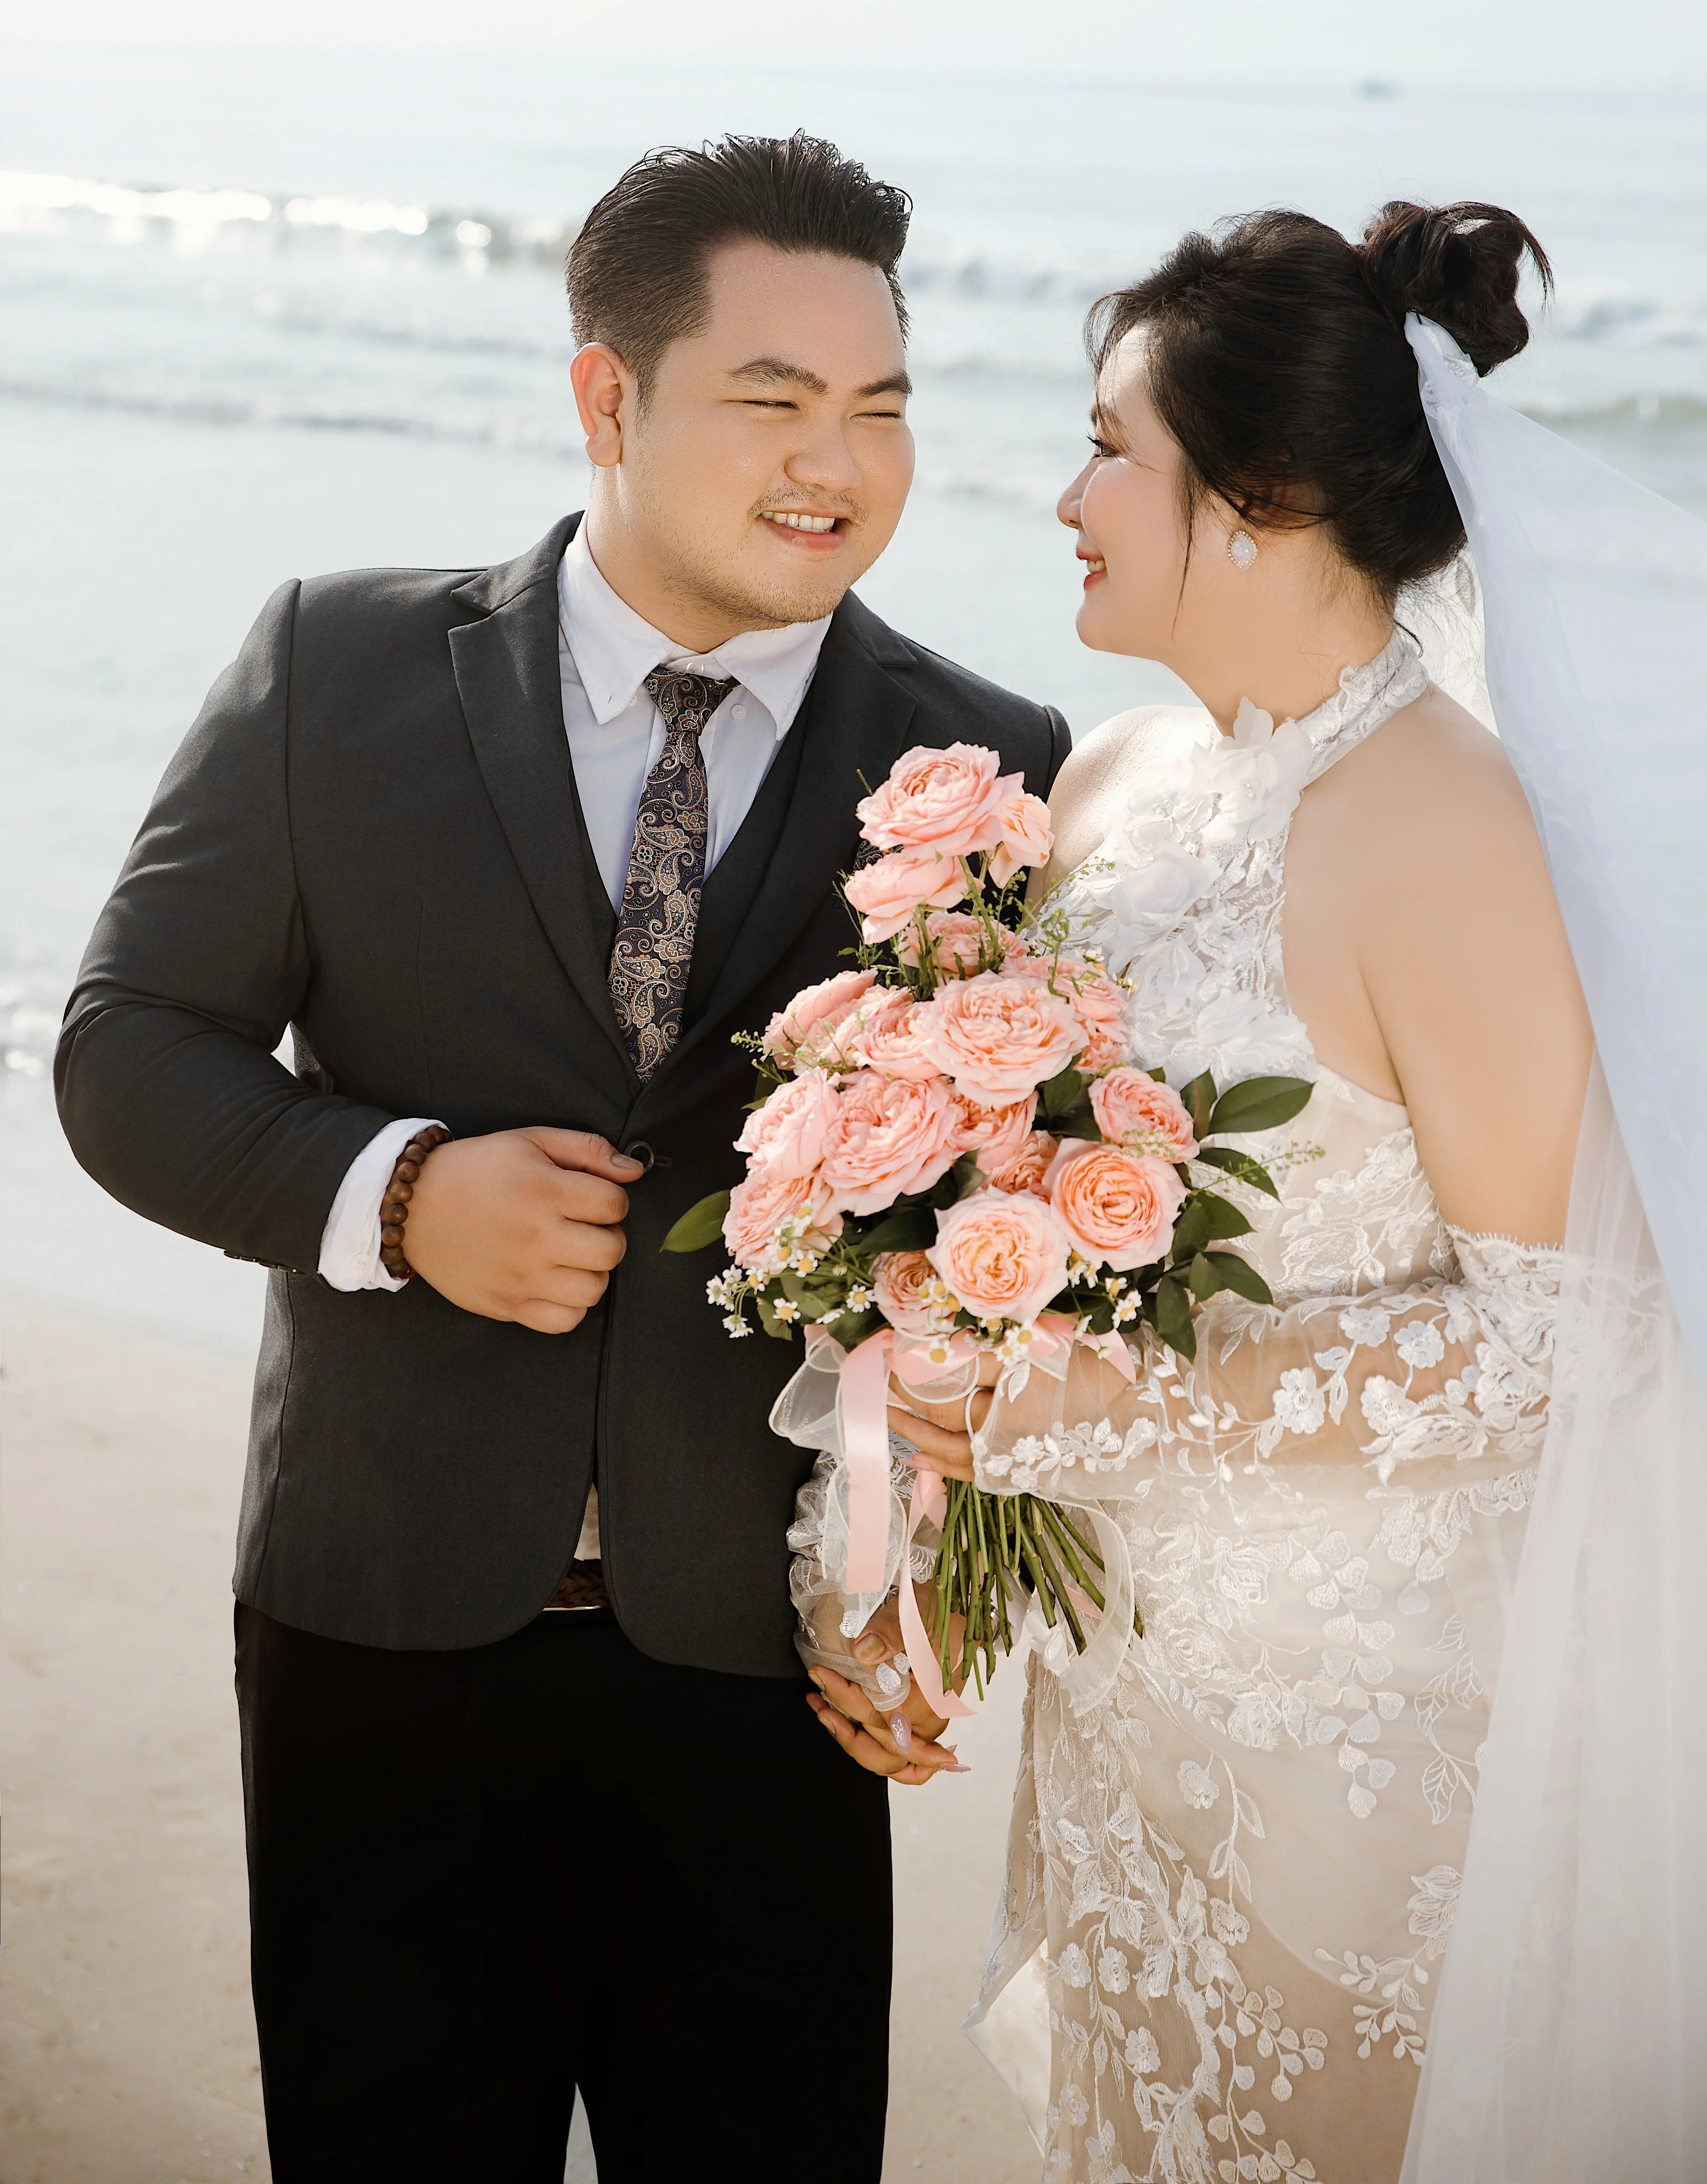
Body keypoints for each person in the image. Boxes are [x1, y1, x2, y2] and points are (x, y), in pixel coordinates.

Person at [55, 133, 1068, 2184]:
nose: (836, 463)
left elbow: (999, 1250)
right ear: (606, 396)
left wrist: (930, 1576)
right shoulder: (334, 669)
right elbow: (126, 1051)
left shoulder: (993, 769)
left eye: (879, 405)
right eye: (769, 398)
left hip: (765, 1661)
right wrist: (397, 1192)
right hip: (383, 1617)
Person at [813, 202, 1707, 2181]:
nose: (1063, 494)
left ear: (1257, 499)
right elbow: (962, 1233)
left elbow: (1560, 1345)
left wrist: (1092, 1408)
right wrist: (890, 1534)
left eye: (1112, 445)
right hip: (1122, 1714)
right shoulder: (1105, 787)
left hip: (1355, 1750)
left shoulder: (1447, 833)